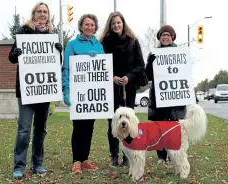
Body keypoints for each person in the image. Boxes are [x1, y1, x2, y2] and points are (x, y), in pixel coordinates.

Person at [8, 2, 63, 178]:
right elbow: (11, 57)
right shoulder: (24, 32)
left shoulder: (51, 35)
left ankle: (37, 163)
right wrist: (16, 53)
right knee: (24, 129)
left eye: (45, 12)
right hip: (27, 90)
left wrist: (58, 52)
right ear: (34, 14)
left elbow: (55, 64)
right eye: (39, 11)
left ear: (48, 15)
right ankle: (19, 166)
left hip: (44, 92)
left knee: (41, 129)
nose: (42, 14)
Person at [100, 11, 146, 167]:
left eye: (118, 23)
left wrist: (128, 77)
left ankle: (127, 156)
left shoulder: (133, 41)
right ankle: (114, 155)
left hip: (129, 87)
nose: (116, 26)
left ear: (123, 23)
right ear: (110, 26)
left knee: (128, 121)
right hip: (110, 86)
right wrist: (112, 76)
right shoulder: (104, 42)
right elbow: (100, 64)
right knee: (112, 122)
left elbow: (140, 65)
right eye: (113, 24)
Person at [62, 14, 104, 174]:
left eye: (92, 25)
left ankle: (85, 159)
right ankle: (76, 161)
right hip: (77, 93)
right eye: (86, 24)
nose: (89, 27)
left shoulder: (99, 46)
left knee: (89, 127)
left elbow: (103, 69)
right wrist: (66, 90)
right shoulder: (72, 45)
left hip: (92, 94)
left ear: (95, 27)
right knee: (78, 127)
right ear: (81, 26)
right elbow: (66, 68)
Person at [145, 25, 187, 163]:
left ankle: (173, 155)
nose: (165, 37)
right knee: (159, 127)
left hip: (175, 97)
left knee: (174, 127)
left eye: (168, 35)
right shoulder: (154, 53)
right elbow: (148, 77)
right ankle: (161, 156)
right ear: (159, 37)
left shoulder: (180, 52)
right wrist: (150, 63)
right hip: (158, 97)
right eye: (163, 35)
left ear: (173, 37)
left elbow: (185, 73)